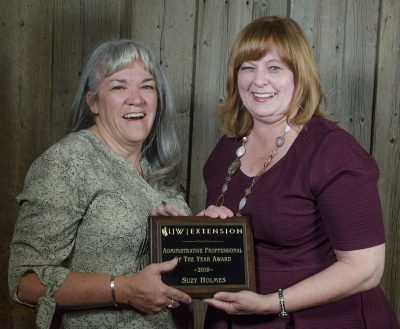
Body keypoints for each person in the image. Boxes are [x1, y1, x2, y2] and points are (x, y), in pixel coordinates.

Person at [200, 16, 400, 329]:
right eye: (248, 67)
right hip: (238, 318)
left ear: (299, 76)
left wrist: (271, 303)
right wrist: (197, 230)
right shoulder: (225, 150)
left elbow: (366, 268)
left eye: (275, 68)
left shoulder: (332, 151)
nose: (258, 80)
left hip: (321, 320)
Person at [8, 39, 192, 329]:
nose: (137, 98)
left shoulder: (158, 169)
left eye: (147, 86)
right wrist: (125, 290)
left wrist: (210, 226)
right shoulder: (66, 162)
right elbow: (25, 281)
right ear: (93, 101)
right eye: (119, 86)